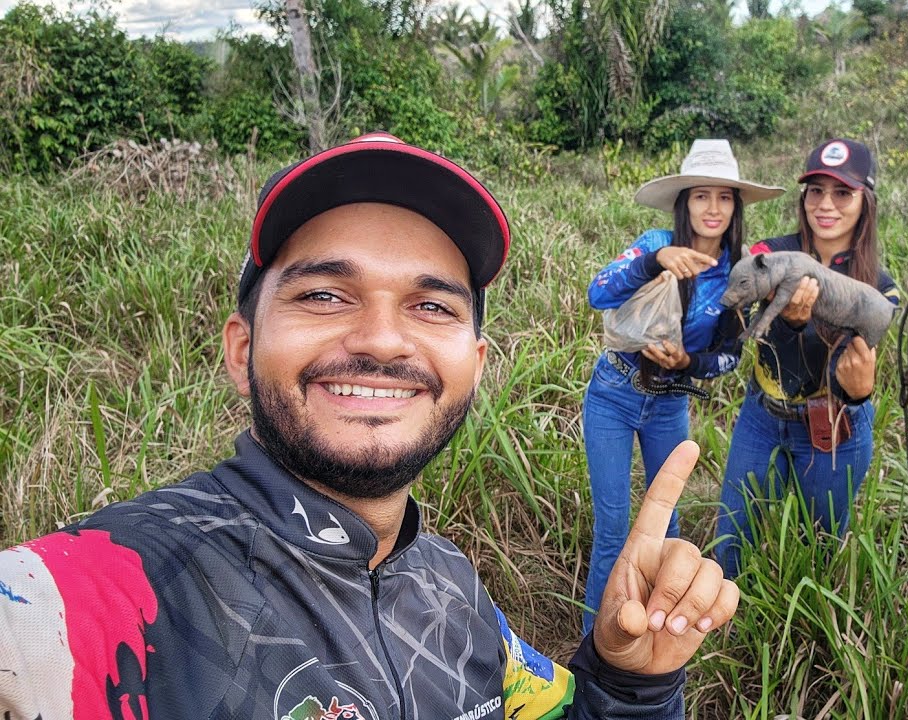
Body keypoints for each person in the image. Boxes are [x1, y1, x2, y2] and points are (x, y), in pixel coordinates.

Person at [0, 133, 740, 719]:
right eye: (324, 294)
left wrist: (625, 680)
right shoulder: (110, 593)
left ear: (475, 364)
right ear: (241, 348)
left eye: (431, 306)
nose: (383, 341)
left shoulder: (453, 590)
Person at [582, 139, 782, 633]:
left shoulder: (739, 273)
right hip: (613, 391)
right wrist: (655, 262)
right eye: (700, 196)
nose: (712, 208)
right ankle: (595, 640)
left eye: (724, 197)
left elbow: (730, 357)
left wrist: (688, 361)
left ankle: (656, 632)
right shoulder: (654, 243)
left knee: (665, 523)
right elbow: (597, 292)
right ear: (683, 202)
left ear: (736, 207)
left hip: (670, 405)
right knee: (612, 527)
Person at [715, 138, 901, 579]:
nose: (826, 205)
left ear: (865, 202)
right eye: (815, 191)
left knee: (819, 542)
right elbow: (736, 330)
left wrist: (859, 393)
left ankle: (803, 634)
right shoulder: (767, 254)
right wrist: (789, 323)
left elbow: (856, 367)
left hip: (835, 424)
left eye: (842, 193)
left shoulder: (878, 285)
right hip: (763, 414)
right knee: (731, 535)